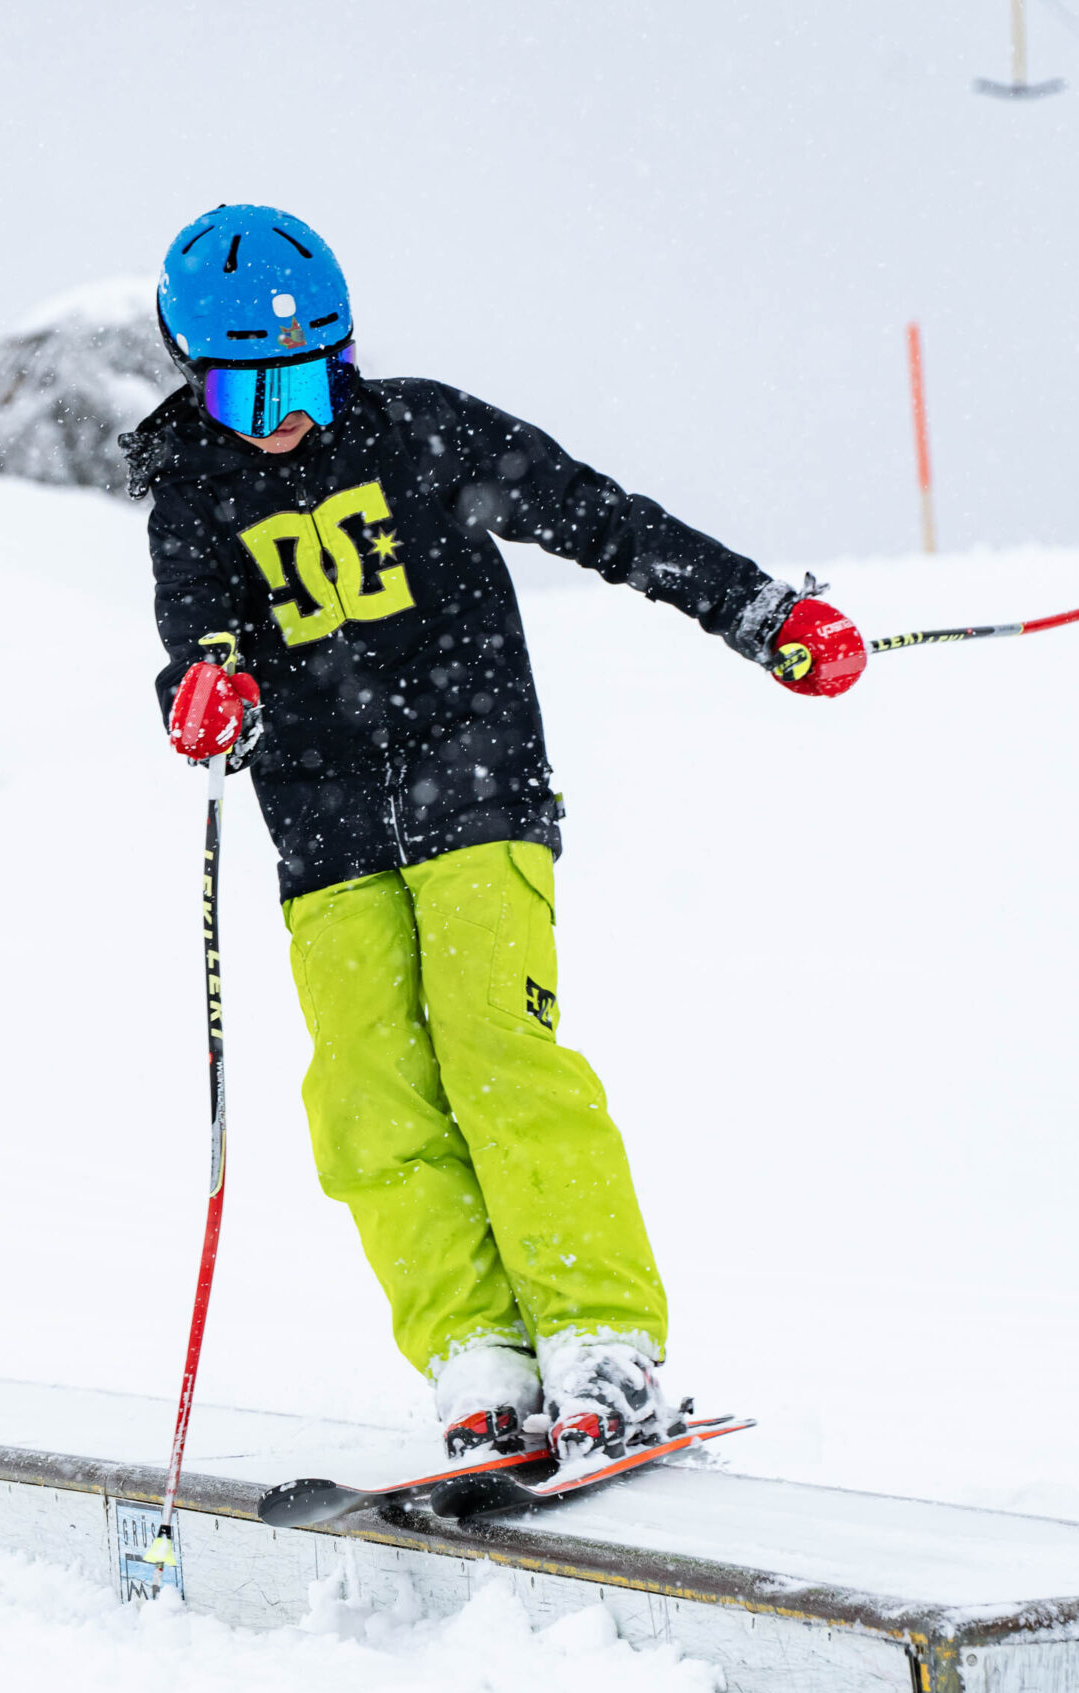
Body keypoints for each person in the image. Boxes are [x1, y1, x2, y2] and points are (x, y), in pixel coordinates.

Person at [122, 204, 864, 1468]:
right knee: (368, 1094)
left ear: (345, 354)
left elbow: (606, 519)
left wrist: (757, 613)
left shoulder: (422, 431)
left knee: (492, 1050)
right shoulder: (191, 493)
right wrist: (204, 697)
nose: (286, 412)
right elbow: (202, 645)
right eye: (253, 391)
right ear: (197, 381)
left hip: (476, 784)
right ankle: (479, 1357)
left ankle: (599, 1344)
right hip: (324, 827)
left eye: (308, 374)